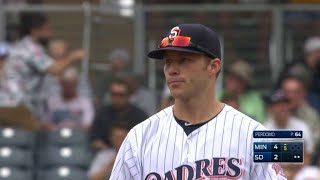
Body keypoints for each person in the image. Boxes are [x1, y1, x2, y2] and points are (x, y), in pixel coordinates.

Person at [110, 24, 286, 179]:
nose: (172, 70)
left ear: (213, 66)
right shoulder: (139, 137)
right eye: (168, 62)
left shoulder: (255, 134)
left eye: (184, 60)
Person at [4, 12, 85, 117]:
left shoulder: (21, 45)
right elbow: (55, 70)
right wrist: (73, 56)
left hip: (8, 103)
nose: (50, 34)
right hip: (18, 105)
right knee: (30, 132)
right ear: (34, 31)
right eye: (47, 29)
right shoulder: (31, 48)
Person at [90, 78, 148, 150]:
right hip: (106, 153)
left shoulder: (140, 116)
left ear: (129, 96)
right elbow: (95, 140)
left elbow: (145, 142)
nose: (117, 98)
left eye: (121, 95)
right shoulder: (102, 113)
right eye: (114, 94)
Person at [43, 67, 94, 132]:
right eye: (66, 85)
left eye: (71, 85)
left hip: (77, 137)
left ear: (76, 84)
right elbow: (45, 123)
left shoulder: (85, 103)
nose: (69, 89)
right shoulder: (51, 102)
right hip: (55, 137)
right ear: (61, 84)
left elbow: (88, 124)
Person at [281, 75, 320, 145]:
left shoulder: (311, 116)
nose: (290, 96)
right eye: (287, 92)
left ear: (303, 94)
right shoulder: (275, 113)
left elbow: (313, 143)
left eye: (295, 92)